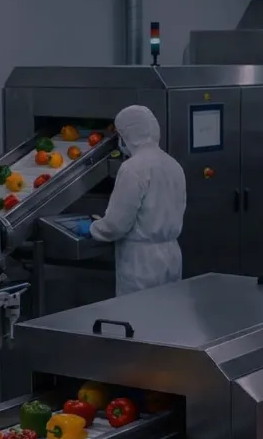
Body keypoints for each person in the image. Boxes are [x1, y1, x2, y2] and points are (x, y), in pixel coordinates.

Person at [72, 105, 186, 296]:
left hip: (141, 263)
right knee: (167, 316)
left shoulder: (132, 168)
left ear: (129, 134)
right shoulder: (173, 165)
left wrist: (93, 228)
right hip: (171, 256)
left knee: (139, 319)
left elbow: (117, 225)